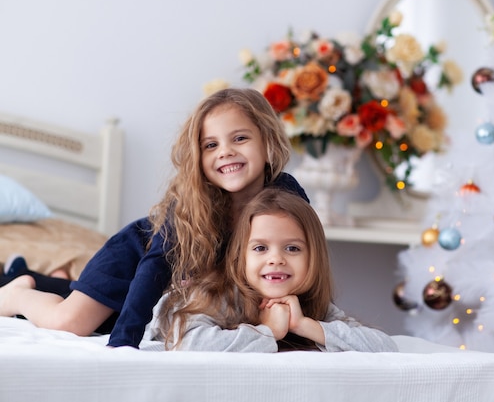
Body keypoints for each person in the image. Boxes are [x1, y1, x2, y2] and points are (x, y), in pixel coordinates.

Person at [0, 88, 309, 348]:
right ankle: (18, 292)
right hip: (135, 259)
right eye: (211, 145)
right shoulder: (189, 204)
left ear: (267, 143)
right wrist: (124, 346)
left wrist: (306, 322)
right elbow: (154, 269)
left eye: (239, 138)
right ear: (197, 157)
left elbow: (306, 257)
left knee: (107, 315)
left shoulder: (285, 197)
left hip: (176, 293)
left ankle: (47, 280)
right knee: (70, 322)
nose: (225, 152)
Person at [148, 188, 398, 353]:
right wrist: (268, 333)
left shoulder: (305, 305)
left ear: (314, 258)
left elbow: (385, 347)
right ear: (240, 257)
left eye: (292, 248)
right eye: (260, 248)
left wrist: (303, 325)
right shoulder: (218, 295)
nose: (276, 259)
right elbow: (188, 343)